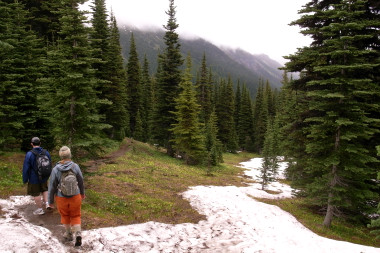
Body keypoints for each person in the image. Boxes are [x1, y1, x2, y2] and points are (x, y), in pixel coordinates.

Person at [48, 146, 85, 247]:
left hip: (61, 197)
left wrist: (50, 201)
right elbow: (81, 181)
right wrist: (82, 193)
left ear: (60, 156)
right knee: (76, 215)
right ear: (70, 155)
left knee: (65, 215)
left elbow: (51, 186)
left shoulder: (56, 169)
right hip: (75, 196)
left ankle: (69, 234)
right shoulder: (75, 166)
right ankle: (78, 234)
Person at [22, 137, 52, 215]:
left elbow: (26, 167)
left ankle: (40, 209)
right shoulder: (46, 152)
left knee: (36, 193)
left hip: (33, 178)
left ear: (31, 144)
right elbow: (49, 164)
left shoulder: (29, 154)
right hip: (44, 176)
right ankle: (47, 204)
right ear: (40, 143)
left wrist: (25, 179)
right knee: (45, 189)